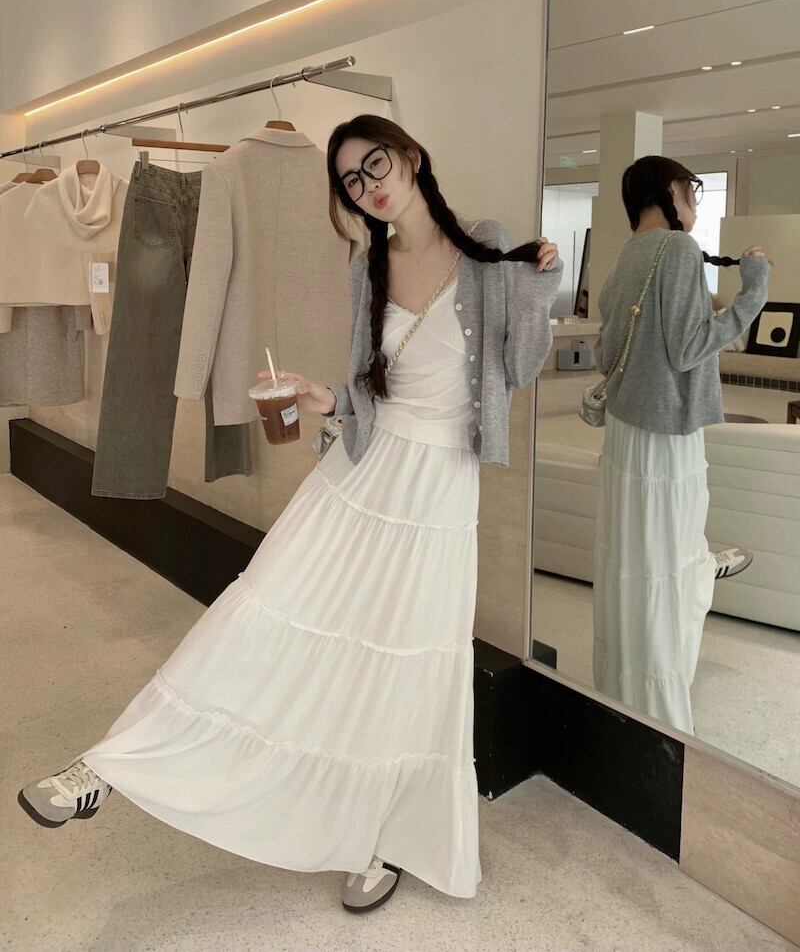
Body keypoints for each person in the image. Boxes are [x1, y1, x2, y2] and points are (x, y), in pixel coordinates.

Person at [19, 114, 562, 912]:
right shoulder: (366, 268)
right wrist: (324, 396)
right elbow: (375, 388)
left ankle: (385, 837)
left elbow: (518, 365)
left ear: (411, 157)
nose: (367, 187)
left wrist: (542, 286)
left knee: (409, 662)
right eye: (350, 181)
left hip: (439, 490)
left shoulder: (486, 248)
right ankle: (116, 762)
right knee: (259, 612)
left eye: (375, 165)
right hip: (360, 471)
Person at [592, 155, 770, 735]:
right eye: (692, 189)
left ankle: (622, 699)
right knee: (668, 564)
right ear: (670, 189)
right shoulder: (680, 250)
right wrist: (753, 293)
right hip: (668, 438)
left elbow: (606, 353)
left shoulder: (627, 256)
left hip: (626, 434)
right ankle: (663, 715)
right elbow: (691, 347)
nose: (694, 200)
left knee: (632, 561)